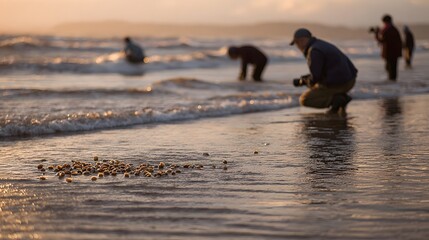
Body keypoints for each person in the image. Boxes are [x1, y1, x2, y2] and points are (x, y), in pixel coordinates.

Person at [290, 28, 358, 115]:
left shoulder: (314, 51)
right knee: (315, 86)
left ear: (302, 40)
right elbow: (321, 73)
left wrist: (302, 81)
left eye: (297, 43)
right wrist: (306, 79)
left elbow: (315, 78)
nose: (297, 46)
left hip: (341, 83)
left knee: (304, 99)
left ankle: (337, 100)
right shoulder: (320, 44)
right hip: (350, 80)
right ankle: (340, 98)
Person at [373, 15, 402, 81]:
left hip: (390, 53)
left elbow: (382, 40)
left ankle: (392, 84)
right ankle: (393, 84)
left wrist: (376, 34)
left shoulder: (388, 30)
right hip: (394, 53)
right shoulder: (393, 29)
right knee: (392, 69)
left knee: (390, 69)